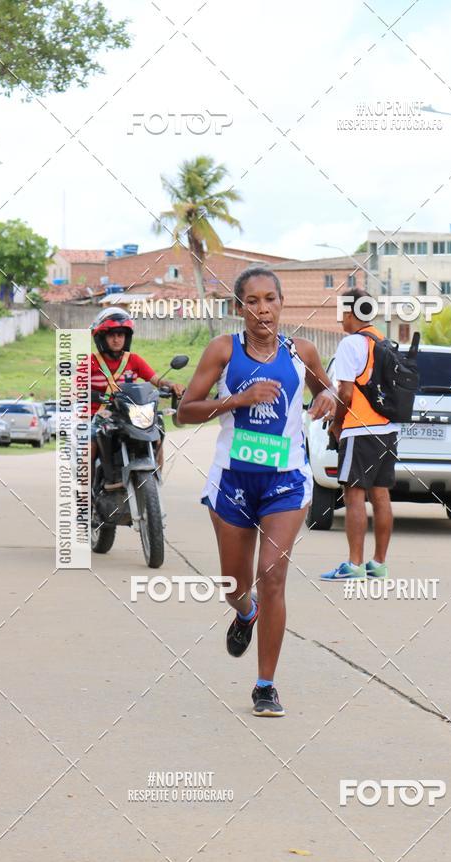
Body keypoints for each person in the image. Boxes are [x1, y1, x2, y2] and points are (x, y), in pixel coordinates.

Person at [177, 266, 336, 716]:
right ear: (239, 307)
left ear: (283, 303)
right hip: (233, 478)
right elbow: (185, 413)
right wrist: (236, 400)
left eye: (270, 298)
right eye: (253, 300)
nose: (262, 308)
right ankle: (244, 613)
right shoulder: (223, 350)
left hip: (285, 478)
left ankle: (265, 684)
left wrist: (327, 398)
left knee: (273, 575)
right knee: (236, 584)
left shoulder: (302, 351)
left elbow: (329, 394)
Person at [320, 288, 398, 581]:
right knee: (381, 496)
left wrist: (337, 423)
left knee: (353, 497)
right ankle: (378, 564)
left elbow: (346, 392)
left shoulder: (351, 344)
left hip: (360, 429)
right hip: (387, 431)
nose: (340, 317)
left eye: (342, 311)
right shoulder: (383, 340)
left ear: (352, 313)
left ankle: (353, 565)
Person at [87, 307, 182, 481]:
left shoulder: (134, 360)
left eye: (121, 335)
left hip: (129, 414)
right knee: (89, 447)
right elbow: (74, 386)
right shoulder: (91, 362)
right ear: (102, 338)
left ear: (127, 337)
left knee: (157, 435)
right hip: (99, 415)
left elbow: (157, 380)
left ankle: (155, 482)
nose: (117, 339)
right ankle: (86, 496)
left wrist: (171, 385)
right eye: (112, 335)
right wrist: (82, 393)